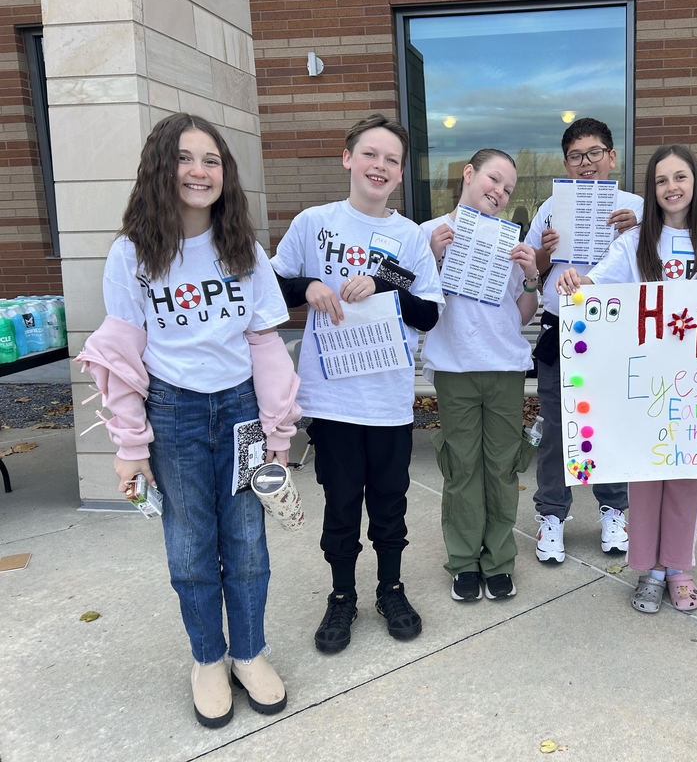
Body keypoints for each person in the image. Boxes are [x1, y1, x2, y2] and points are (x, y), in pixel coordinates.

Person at [76, 113, 300, 727]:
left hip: (241, 413)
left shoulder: (244, 250)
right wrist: (129, 444)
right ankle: (208, 658)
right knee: (191, 546)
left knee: (248, 543)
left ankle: (250, 653)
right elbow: (121, 354)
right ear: (160, 168)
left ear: (225, 174)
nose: (199, 171)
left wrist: (279, 429)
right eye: (185, 158)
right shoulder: (132, 254)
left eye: (211, 160)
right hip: (172, 414)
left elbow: (265, 347)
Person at [271, 115, 443, 654]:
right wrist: (311, 285)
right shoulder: (313, 222)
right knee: (341, 503)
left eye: (392, 160)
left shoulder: (409, 236)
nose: (380, 166)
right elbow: (273, 287)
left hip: (389, 398)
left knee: (390, 504)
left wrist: (386, 285)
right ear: (348, 159)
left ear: (399, 175)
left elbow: (429, 314)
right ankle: (342, 595)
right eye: (371, 154)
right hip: (334, 397)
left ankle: (390, 588)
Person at [556, 144, 697, 614]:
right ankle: (649, 571)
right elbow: (598, 283)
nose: (671, 188)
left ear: (695, 183)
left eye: (680, 177)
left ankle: (678, 567)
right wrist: (576, 282)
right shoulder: (634, 243)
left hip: (694, 377)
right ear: (651, 191)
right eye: (660, 181)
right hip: (645, 378)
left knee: (683, 476)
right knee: (646, 473)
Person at [419, 149, 540, 602]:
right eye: (494, 178)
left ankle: (500, 560)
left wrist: (530, 275)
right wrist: (431, 256)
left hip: (506, 368)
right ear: (469, 173)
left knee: (503, 468)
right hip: (454, 369)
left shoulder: (510, 241)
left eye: (508, 188)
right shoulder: (428, 233)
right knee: (461, 467)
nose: (499, 192)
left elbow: (521, 313)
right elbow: (414, 307)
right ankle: (464, 560)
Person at [529, 117, 643, 564]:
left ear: (611, 157)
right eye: (576, 156)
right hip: (563, 327)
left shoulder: (637, 207)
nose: (586, 163)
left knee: (610, 423)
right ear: (566, 164)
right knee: (557, 426)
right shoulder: (550, 207)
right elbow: (531, 271)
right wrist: (545, 250)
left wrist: (638, 230)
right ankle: (552, 515)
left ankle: (614, 510)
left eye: (595, 153)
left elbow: (654, 267)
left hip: (616, 331)